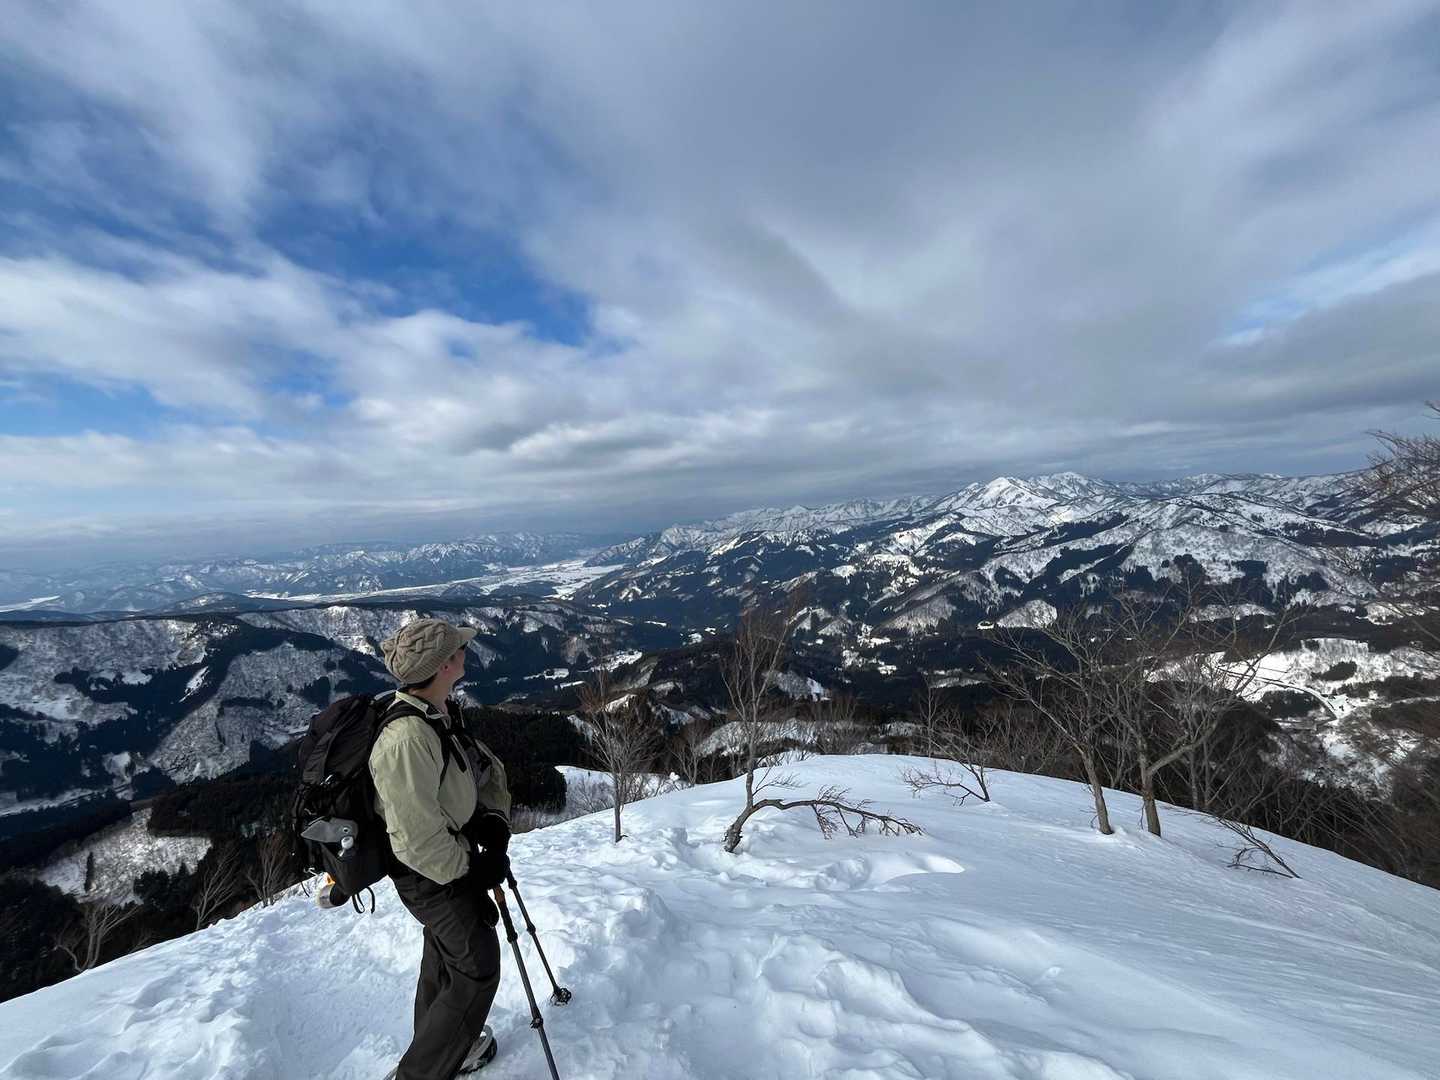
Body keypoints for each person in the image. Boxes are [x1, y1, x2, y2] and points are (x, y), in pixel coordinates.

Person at [371, 618, 513, 1080]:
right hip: (430, 873)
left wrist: (491, 819)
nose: (465, 652)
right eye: (458, 649)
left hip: (446, 859)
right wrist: (472, 871)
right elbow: (416, 840)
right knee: (476, 967)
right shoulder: (406, 739)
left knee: (447, 954)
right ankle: (421, 1072)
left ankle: (449, 1046)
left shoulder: (436, 712)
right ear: (444, 664)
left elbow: (469, 772)